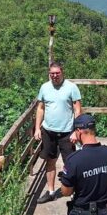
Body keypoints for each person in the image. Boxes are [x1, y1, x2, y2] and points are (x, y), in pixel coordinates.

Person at [34, 61, 82, 204]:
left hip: (67, 132)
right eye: (52, 73)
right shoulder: (44, 87)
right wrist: (37, 128)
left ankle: (75, 193)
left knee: (71, 163)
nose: (55, 75)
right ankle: (51, 192)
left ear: (62, 72)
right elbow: (40, 108)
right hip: (49, 131)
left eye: (57, 73)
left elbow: (77, 110)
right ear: (49, 74)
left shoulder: (71, 87)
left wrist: (76, 131)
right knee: (50, 161)